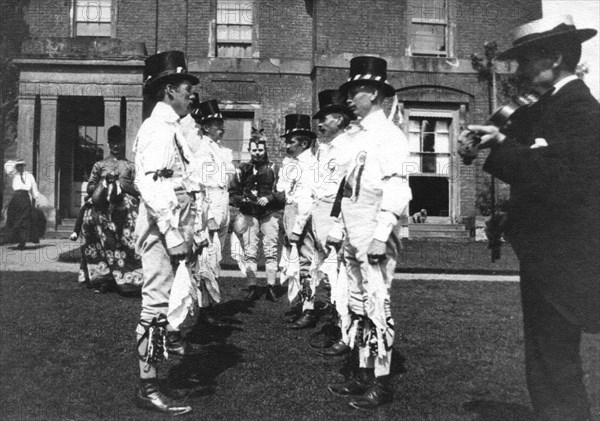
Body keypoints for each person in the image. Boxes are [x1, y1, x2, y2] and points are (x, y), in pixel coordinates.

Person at [463, 15, 599, 421]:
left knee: (553, 355)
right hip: (548, 253)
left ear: (555, 58)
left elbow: (560, 181)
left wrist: (502, 142)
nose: (519, 70)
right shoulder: (546, 108)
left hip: (567, 256)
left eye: (527, 59)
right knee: (547, 354)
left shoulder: (582, 112)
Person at [326, 56, 412, 410]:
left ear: (374, 93)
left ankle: (381, 381)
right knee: (358, 304)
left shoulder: (391, 135)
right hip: (353, 229)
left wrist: (381, 233)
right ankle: (361, 373)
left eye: (355, 90)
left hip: (375, 231)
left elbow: (399, 187)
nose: (349, 97)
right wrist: (338, 227)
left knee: (377, 303)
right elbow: (344, 186)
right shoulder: (354, 137)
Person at [132, 50, 200, 416]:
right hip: (162, 223)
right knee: (155, 303)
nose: (192, 93)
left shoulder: (172, 127)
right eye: (187, 87)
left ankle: (152, 380)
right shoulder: (158, 129)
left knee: (162, 300)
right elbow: (152, 184)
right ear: (170, 89)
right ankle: (149, 386)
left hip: (173, 219)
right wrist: (174, 235)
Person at [309, 89, 357, 356]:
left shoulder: (349, 147)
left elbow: (347, 191)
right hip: (320, 212)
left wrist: (338, 224)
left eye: (325, 118)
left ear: (339, 119)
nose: (320, 123)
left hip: (335, 214)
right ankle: (338, 326)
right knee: (329, 275)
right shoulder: (326, 148)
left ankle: (346, 333)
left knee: (341, 276)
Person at [77, 125, 142, 294]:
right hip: (102, 206)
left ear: (123, 143)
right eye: (113, 142)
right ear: (108, 143)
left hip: (125, 206)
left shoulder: (130, 166)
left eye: (119, 142)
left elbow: (139, 188)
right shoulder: (100, 164)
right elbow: (90, 186)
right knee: (90, 222)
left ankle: (130, 278)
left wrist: (125, 186)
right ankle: (104, 278)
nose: (116, 146)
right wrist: (102, 184)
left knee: (128, 234)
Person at [229, 128, 283, 302]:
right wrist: (243, 200)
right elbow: (233, 192)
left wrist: (270, 197)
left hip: (269, 213)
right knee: (250, 250)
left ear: (265, 149)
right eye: (254, 150)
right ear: (249, 150)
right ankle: (252, 286)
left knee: (271, 249)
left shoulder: (275, 168)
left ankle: (271, 286)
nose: (257, 153)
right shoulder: (243, 169)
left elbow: (283, 192)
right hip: (250, 214)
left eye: (260, 150)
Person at [276, 114, 319, 329]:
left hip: (304, 218)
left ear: (304, 143)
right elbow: (283, 191)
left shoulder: (310, 164)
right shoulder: (292, 164)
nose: (286, 145)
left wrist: (298, 228)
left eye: (291, 141)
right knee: (296, 261)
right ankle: (303, 304)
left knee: (306, 263)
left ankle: (309, 309)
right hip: (291, 213)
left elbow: (308, 200)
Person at [4, 158, 43, 249]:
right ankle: (14, 239)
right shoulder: (13, 174)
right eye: (18, 166)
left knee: (24, 220)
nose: (20, 167)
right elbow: (7, 166)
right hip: (16, 199)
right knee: (14, 219)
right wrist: (15, 162)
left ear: (24, 166)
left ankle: (23, 241)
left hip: (25, 198)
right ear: (16, 167)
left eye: (22, 165)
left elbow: (34, 188)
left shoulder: (29, 175)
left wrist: (37, 200)